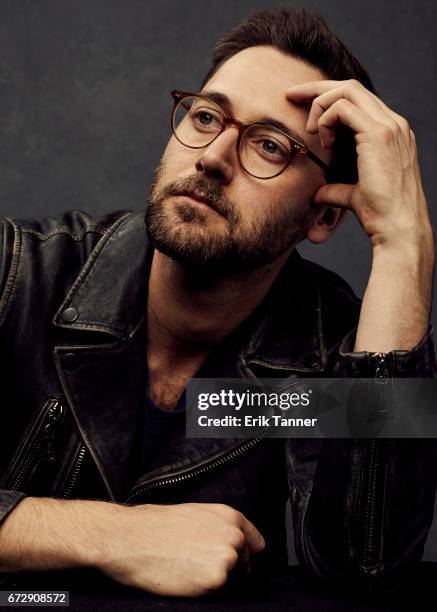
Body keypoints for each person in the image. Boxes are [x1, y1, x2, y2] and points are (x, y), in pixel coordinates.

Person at [0, 6, 436, 599]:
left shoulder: (313, 361)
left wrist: (403, 245)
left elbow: (371, 569)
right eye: (207, 116)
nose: (211, 156)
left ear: (325, 213)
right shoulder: (18, 272)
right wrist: (110, 534)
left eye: (270, 145)